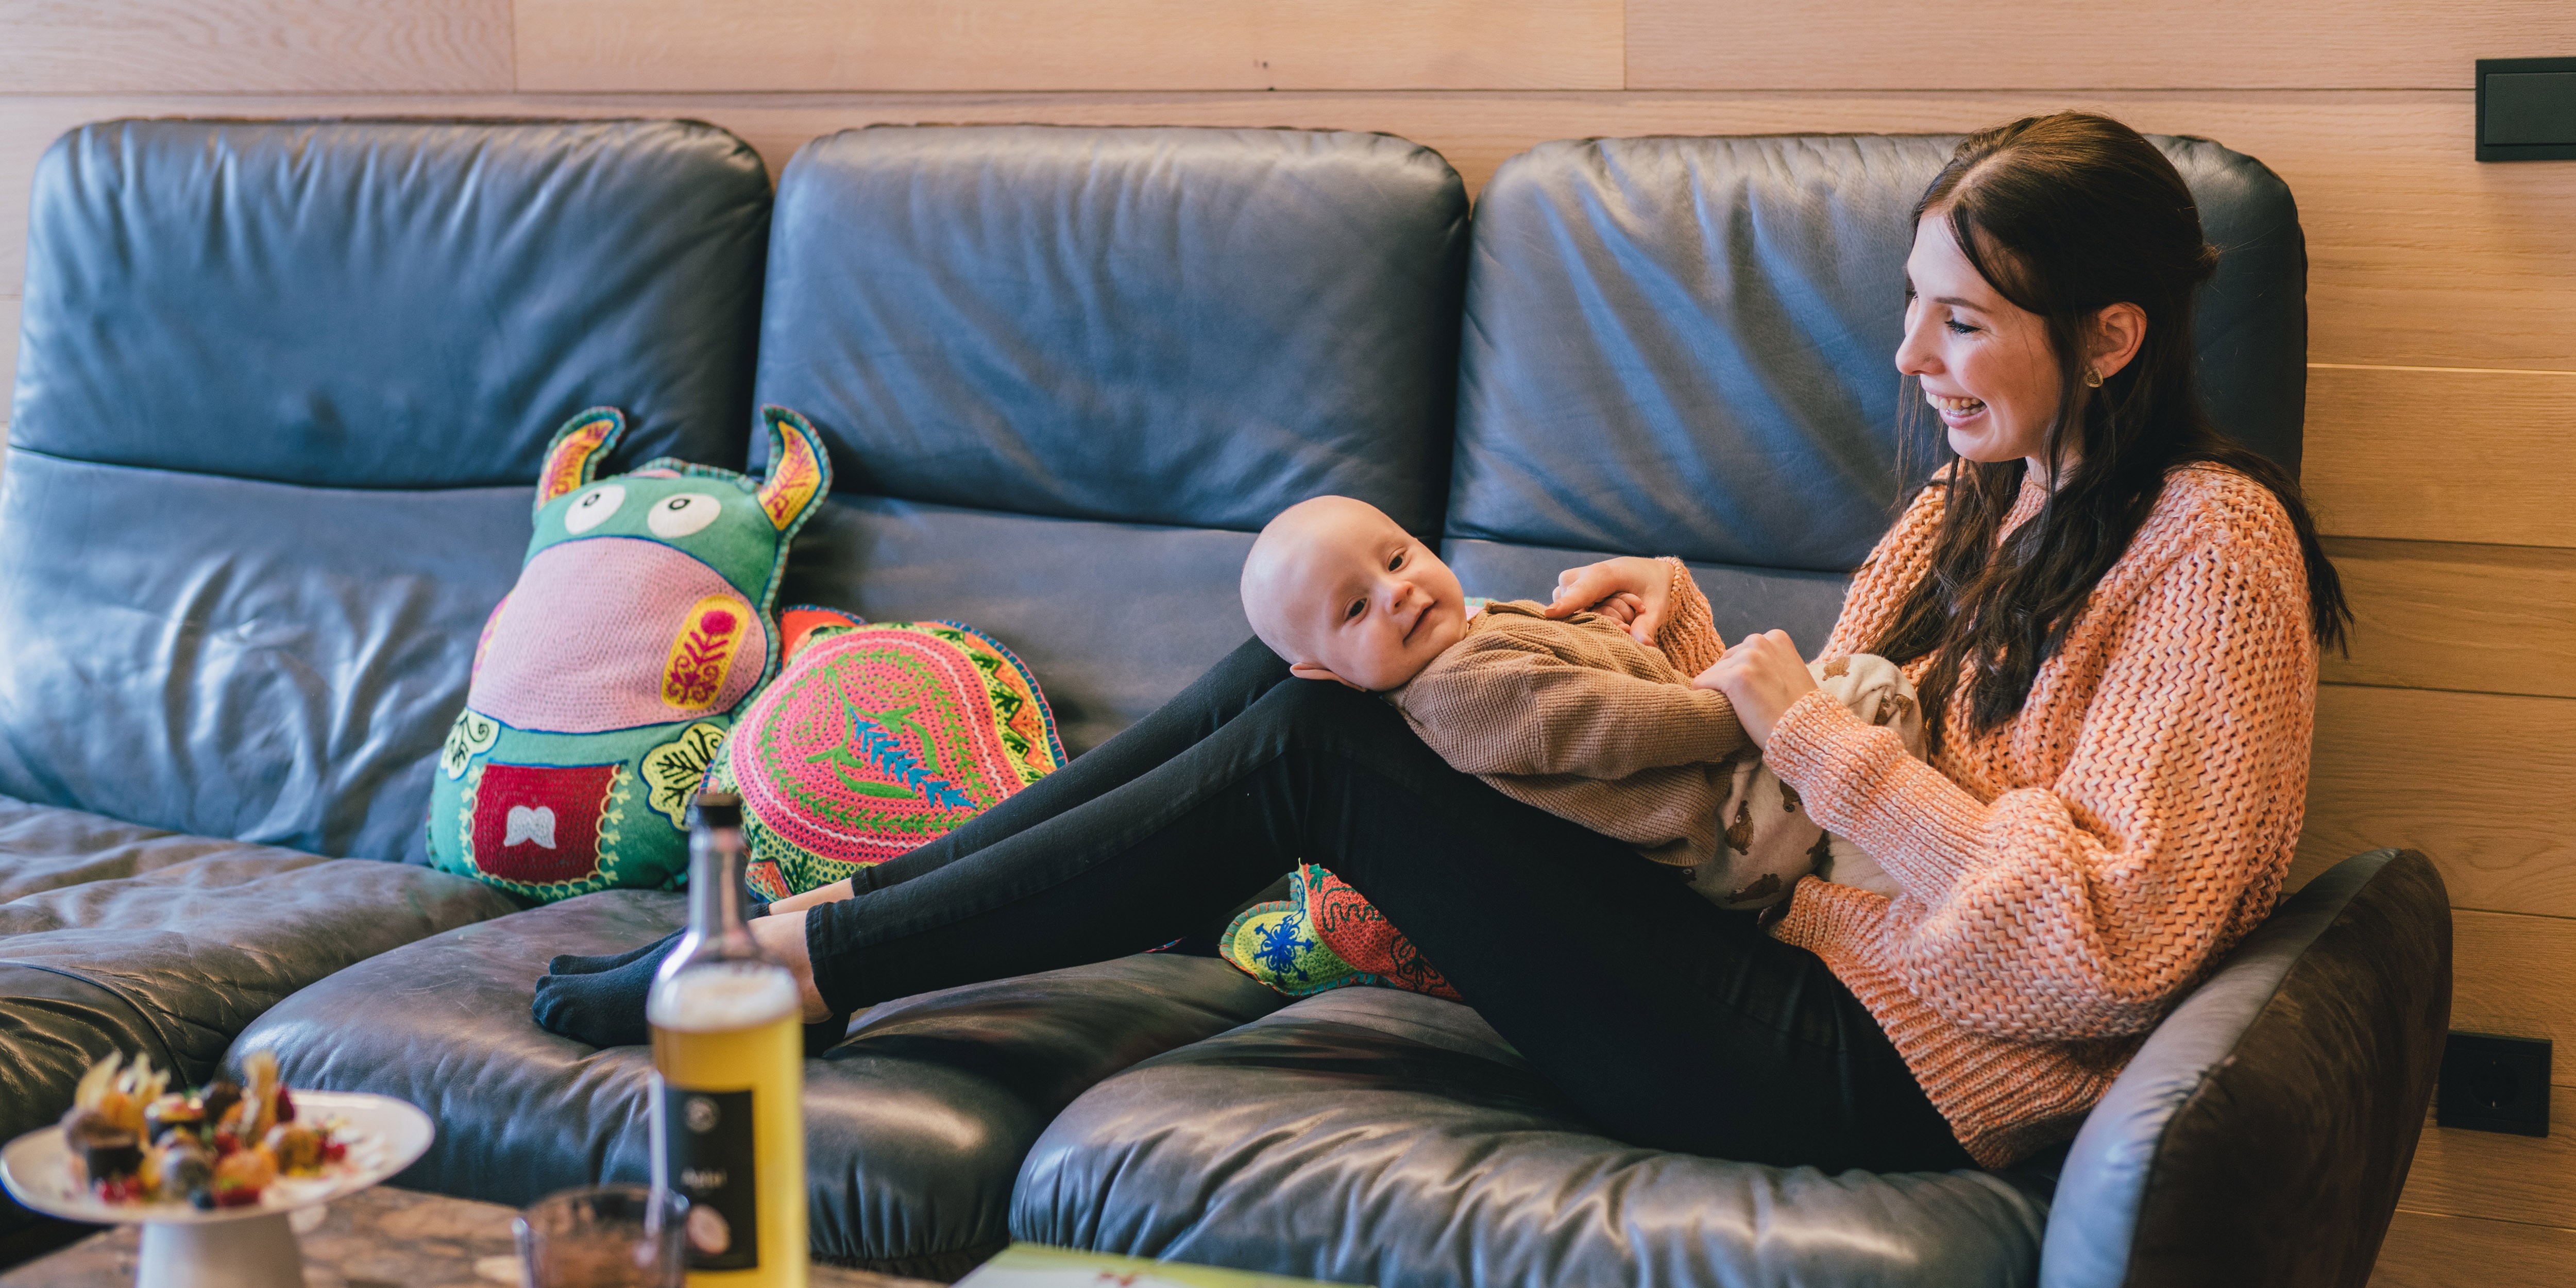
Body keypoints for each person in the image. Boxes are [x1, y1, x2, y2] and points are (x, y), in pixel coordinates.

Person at [537, 110, 2347, 1173]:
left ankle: (795, 972)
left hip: (1884, 1067)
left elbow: (2114, 947)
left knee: (1335, 741)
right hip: (1806, 952)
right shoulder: (1990, 500)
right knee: (1313, 669)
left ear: (2110, 339)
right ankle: (827, 930)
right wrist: (1694, 644)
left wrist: (1806, 732)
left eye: (1963, 324)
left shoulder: (2213, 552)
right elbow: (1843, 750)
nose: (1911, 362)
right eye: (1912, 312)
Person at [1236, 492, 1916, 906]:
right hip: (1722, 829)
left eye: (1397, 559)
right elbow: (1619, 727)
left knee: (1827, 698)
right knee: (1874, 685)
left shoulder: (1456, 647)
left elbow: (1582, 683)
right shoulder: (1461, 688)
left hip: (1708, 814)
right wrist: (1745, 714)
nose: (1397, 593)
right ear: (1329, 676)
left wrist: (1609, 633)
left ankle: (1847, 859)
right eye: (1356, 609)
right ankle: (1873, 894)